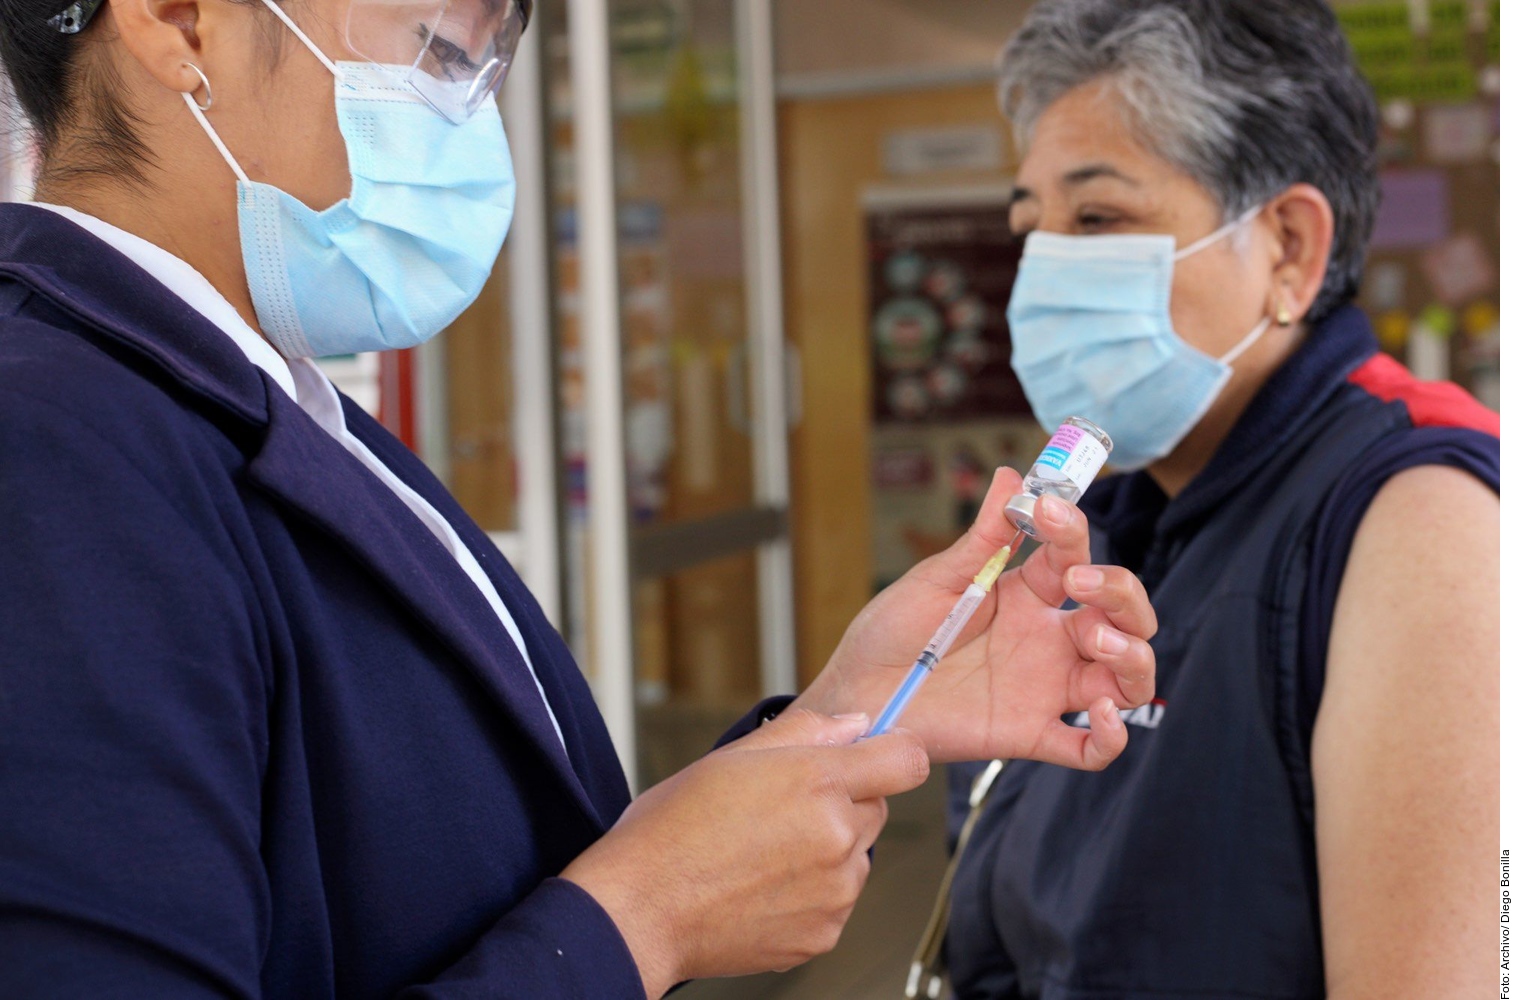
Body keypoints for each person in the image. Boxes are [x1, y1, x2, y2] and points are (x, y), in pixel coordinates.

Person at [0, 0, 1161, 996]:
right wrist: (644, 917)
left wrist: (854, 712)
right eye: (440, 51)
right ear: (176, 16)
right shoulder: (49, 442)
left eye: (486, 62)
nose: (470, 115)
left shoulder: (275, 403)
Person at [944, 1, 1499, 997]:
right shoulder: (1113, 505)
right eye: (1033, 228)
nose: (1045, 273)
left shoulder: (1416, 519)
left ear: (1288, 246)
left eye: (1099, 218)